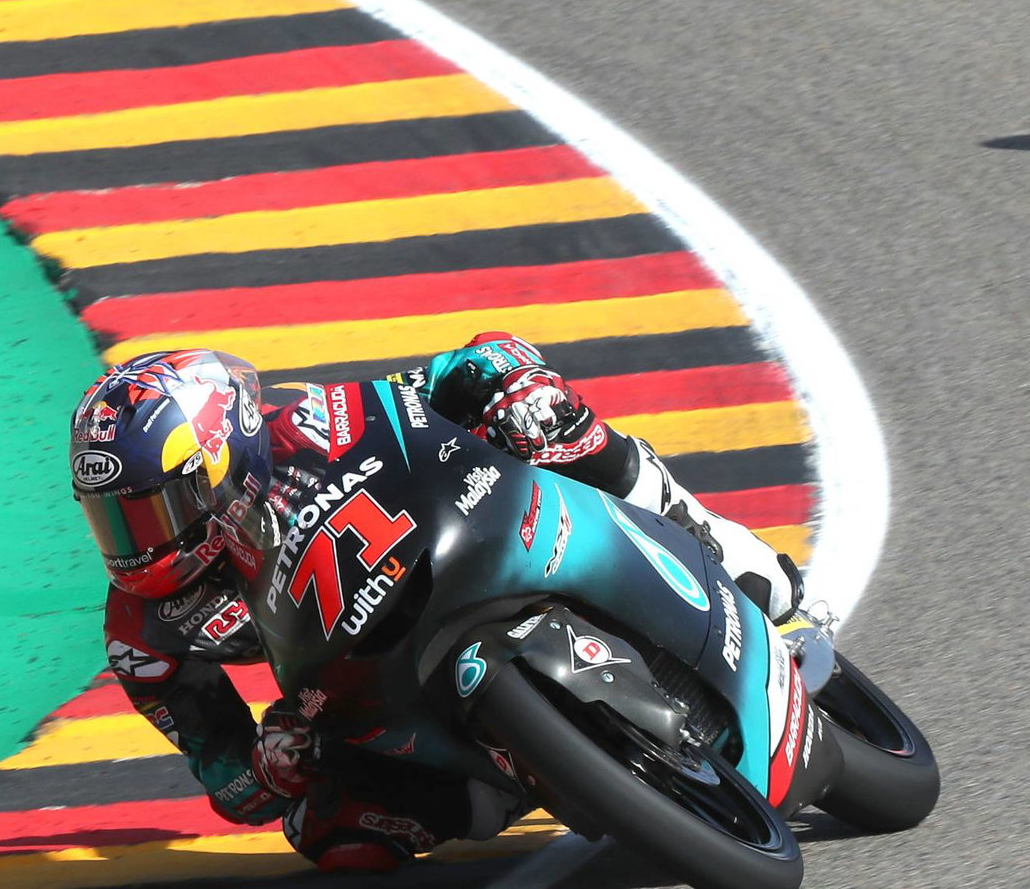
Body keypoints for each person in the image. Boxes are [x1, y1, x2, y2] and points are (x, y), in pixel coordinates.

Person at [71, 335, 813, 872]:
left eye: (154, 509)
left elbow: (460, 369)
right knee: (325, 833)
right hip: (365, 687)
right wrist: (268, 769)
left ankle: (703, 536)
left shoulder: (316, 421)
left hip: (467, 550)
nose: (137, 542)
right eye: (114, 519)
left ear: (222, 459)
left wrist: (510, 382)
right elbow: (226, 779)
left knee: (550, 421)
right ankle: (509, 783)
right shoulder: (143, 633)